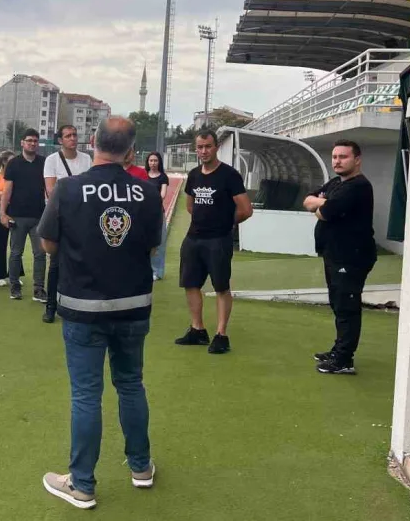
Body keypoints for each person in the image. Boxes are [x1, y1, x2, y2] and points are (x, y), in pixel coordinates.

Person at [38, 116, 162, 510]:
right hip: (133, 304)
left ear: (93, 142)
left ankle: (83, 483)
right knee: (131, 384)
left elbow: (48, 245)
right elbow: (151, 248)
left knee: (87, 395)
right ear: (130, 150)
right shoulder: (146, 191)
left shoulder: (70, 189)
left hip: (83, 307)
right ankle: (140, 466)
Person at [176, 130, 253, 354]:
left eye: (207, 146)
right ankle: (197, 329)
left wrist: (225, 223)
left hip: (218, 240)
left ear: (216, 146)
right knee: (190, 284)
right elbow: (190, 206)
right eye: (199, 147)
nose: (203, 151)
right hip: (193, 238)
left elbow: (246, 209)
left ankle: (221, 334)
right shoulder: (193, 175)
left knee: (221, 286)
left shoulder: (229, 175)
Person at [303, 140, 376, 375]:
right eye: (335, 157)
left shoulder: (358, 186)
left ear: (357, 159)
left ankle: (344, 360)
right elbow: (308, 200)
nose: (337, 161)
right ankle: (339, 350)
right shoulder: (336, 183)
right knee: (338, 304)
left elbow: (323, 213)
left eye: (343, 157)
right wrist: (323, 203)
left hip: (351, 257)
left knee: (347, 307)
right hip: (333, 254)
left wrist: (322, 205)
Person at [42, 124, 93, 322]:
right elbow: (51, 190)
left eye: (74, 135)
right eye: (68, 135)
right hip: (59, 219)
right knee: (55, 264)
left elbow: (90, 188)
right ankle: (50, 307)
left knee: (80, 263)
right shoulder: (51, 161)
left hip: (81, 219)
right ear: (60, 140)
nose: (72, 138)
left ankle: (77, 305)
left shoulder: (86, 159)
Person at [0, 128, 48, 302]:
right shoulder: (13, 164)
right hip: (17, 217)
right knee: (15, 253)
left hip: (39, 216)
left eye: (35, 141)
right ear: (22, 143)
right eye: (29, 140)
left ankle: (39, 289)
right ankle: (14, 286)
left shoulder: (44, 163)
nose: (32, 143)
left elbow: (49, 189)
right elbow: (7, 190)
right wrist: (2, 213)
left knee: (40, 254)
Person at [0, 151, 24, 287]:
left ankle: (14, 274)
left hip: (15, 210)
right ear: (4, 162)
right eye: (10, 161)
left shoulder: (18, 176)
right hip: (1, 210)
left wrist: (5, 194)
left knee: (16, 244)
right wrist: (9, 194)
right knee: (1, 243)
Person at [145, 151, 170, 281]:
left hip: (158, 213)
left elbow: (163, 194)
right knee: (144, 242)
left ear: (159, 162)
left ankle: (157, 271)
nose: (153, 163)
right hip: (144, 214)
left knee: (159, 243)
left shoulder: (163, 177)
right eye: (151, 161)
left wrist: (149, 199)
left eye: (155, 160)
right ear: (147, 162)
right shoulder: (143, 176)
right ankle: (145, 269)